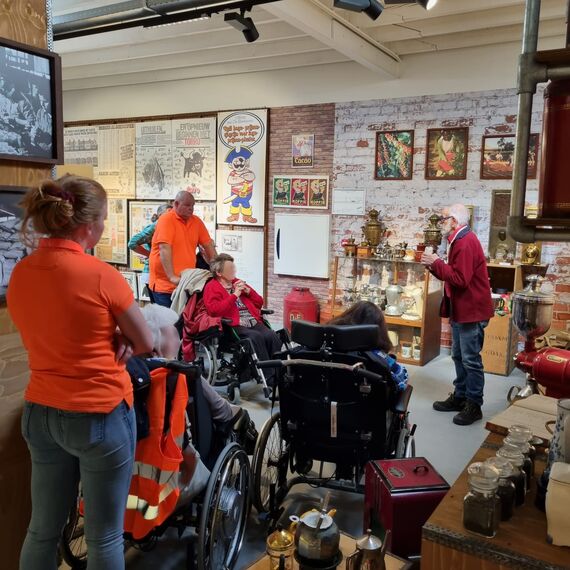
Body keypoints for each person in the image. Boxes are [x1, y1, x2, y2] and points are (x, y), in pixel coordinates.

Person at [7, 176, 153, 570]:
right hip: (99, 415)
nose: (104, 227)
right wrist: (122, 336)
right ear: (88, 226)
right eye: (104, 219)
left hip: (40, 412)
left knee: (41, 529)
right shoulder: (101, 275)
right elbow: (144, 342)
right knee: (103, 537)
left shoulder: (21, 272)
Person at [421, 203, 494, 426]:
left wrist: (436, 263)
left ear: (454, 221)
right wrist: (434, 265)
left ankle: (474, 404)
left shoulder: (465, 242)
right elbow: (453, 274)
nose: (440, 223)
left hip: (471, 311)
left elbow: (461, 279)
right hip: (462, 309)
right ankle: (461, 396)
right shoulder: (458, 240)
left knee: (471, 360)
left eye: (443, 219)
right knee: (459, 356)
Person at [203, 254, 282, 384]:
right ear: (219, 272)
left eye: (233, 267)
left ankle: (279, 373)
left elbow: (259, 302)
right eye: (229, 268)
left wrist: (248, 291)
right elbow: (214, 310)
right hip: (233, 324)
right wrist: (235, 295)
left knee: (271, 335)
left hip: (252, 320)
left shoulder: (237, 282)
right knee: (255, 338)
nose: (233, 271)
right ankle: (268, 377)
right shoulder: (212, 287)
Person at [149, 191, 217, 308]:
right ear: (176, 204)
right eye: (187, 205)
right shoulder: (166, 220)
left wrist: (219, 270)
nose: (191, 209)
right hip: (165, 286)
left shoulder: (196, 221)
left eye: (193, 206)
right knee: (169, 324)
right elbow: (164, 248)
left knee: (184, 324)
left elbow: (208, 246)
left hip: (186, 283)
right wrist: (172, 277)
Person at [329, 301, 409, 392]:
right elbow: (402, 377)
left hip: (331, 398)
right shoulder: (377, 356)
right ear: (378, 329)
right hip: (366, 402)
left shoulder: (327, 348)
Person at [128, 203, 171, 302]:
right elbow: (132, 243)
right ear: (160, 215)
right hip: (152, 274)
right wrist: (150, 254)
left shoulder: (168, 227)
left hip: (162, 276)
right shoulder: (155, 226)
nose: (171, 216)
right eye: (168, 213)